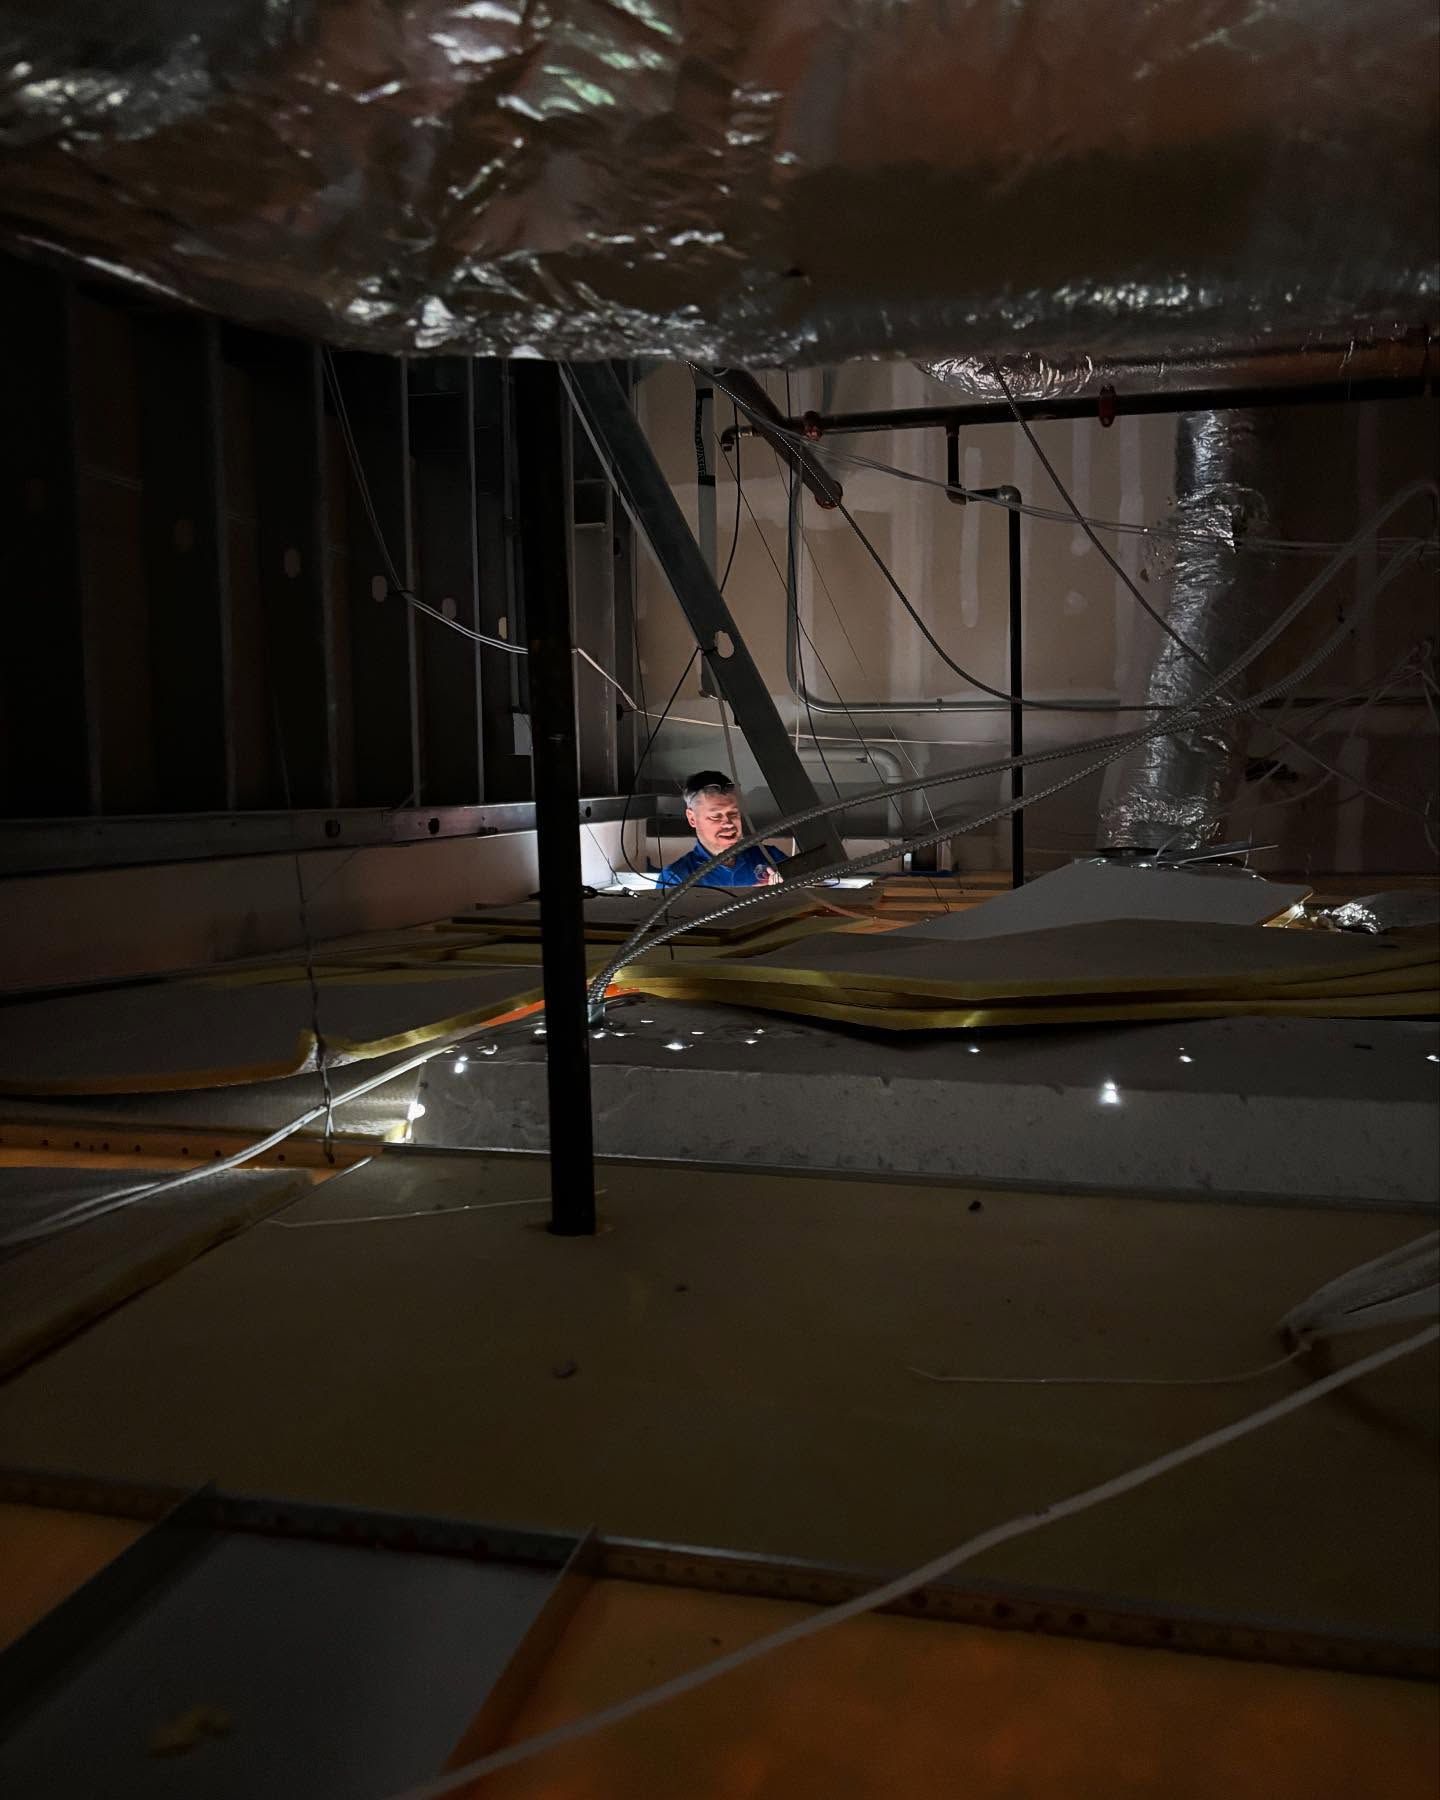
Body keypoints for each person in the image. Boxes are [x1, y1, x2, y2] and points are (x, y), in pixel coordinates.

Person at [657, 772, 787, 889]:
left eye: (733, 814)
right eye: (716, 817)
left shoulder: (771, 858)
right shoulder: (675, 878)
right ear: (692, 819)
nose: (728, 824)